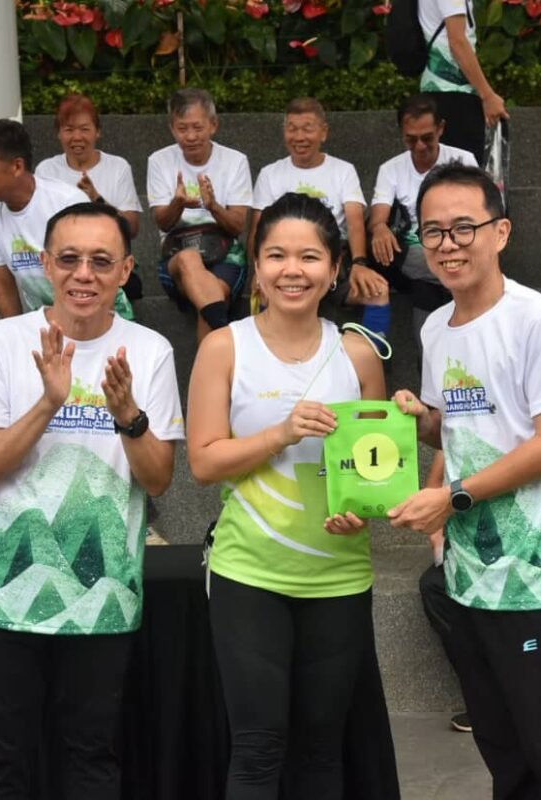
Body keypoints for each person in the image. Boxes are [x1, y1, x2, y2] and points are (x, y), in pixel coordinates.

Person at [388, 163, 541, 799]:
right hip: (470, 577)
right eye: (433, 231)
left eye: (464, 227)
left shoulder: (538, 319)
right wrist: (419, 418)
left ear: (501, 232)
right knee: (505, 756)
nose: (448, 244)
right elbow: (453, 431)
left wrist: (452, 498)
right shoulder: (436, 327)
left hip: (537, 578)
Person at [0, 202, 183, 799]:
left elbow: (158, 480)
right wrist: (47, 403)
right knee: (1, 763)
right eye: (70, 259)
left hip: (104, 594)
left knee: (92, 759)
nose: (84, 274)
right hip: (2, 593)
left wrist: (128, 416)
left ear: (126, 270)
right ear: (45, 264)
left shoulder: (150, 351)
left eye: (102, 261)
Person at [186, 192, 390, 799]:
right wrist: (280, 433)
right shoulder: (224, 347)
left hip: (339, 575)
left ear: (335, 268)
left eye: (309, 257)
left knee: (322, 748)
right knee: (257, 746)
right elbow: (203, 461)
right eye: (276, 255)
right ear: (256, 265)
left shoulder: (358, 354)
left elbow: (375, 471)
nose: (291, 270)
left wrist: (363, 513)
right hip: (249, 573)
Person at [419, 407, 541, 732]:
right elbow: (434, 492)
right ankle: (488, 698)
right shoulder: (465, 410)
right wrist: (443, 545)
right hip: (476, 550)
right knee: (435, 588)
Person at [250, 97, 390, 339]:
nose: (299, 137)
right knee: (262, 291)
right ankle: (270, 352)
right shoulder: (270, 174)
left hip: (334, 261)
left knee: (377, 291)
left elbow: (355, 221)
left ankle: (369, 355)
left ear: (323, 132)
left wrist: (360, 263)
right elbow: (258, 230)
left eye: (307, 129)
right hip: (287, 262)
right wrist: (258, 270)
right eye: (292, 129)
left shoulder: (342, 170)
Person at [0, 118, 134, 320]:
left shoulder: (67, 201)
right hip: (45, 320)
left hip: (101, 314)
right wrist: (14, 335)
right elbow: (4, 288)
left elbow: (93, 271)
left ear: (17, 166)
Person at [370, 94, 478, 351]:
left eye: (427, 138)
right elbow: (378, 215)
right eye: (411, 139)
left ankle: (447, 283)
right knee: (383, 245)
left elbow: (479, 211)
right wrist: (379, 227)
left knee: (425, 291)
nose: (419, 146)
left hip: (455, 243)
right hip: (414, 251)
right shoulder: (390, 169)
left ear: (441, 128)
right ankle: (464, 281)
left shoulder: (463, 160)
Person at [146, 88, 252, 342]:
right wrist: (178, 203)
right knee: (189, 258)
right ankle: (228, 339)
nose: (191, 136)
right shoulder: (159, 161)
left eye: (197, 127)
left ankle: (209, 360)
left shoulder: (235, 161)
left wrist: (213, 206)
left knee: (209, 293)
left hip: (226, 252)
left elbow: (238, 226)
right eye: (182, 128)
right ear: (172, 128)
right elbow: (162, 222)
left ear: (213, 125)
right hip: (176, 254)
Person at [36, 93, 145, 300]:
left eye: (84, 129)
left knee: (130, 286)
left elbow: (132, 228)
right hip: (64, 262)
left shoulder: (118, 167)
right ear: (59, 133)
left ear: (98, 132)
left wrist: (97, 200)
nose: (77, 137)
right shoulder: (46, 171)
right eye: (69, 130)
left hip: (106, 260)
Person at [418, 0, 509, 163]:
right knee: (463, 173)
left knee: (446, 171)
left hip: (435, 91)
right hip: (455, 97)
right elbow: (458, 43)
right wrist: (488, 96)